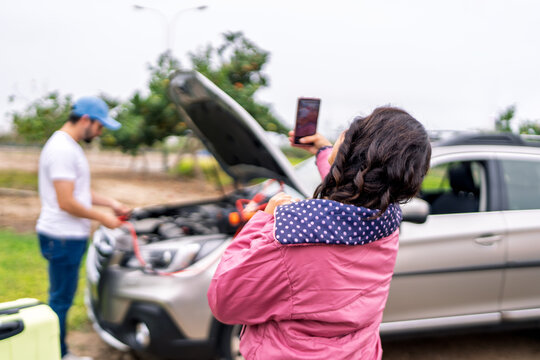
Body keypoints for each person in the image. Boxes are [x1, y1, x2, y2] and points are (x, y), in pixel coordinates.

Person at [207, 107, 431, 359]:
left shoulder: (294, 232)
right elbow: (357, 189)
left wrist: (263, 220)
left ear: (354, 152)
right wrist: (324, 150)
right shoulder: (387, 219)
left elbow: (224, 302)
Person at [36, 96, 129, 360]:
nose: (100, 133)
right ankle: (59, 354)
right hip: (62, 236)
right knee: (60, 301)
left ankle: (56, 351)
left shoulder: (68, 146)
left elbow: (79, 191)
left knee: (61, 297)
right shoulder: (62, 149)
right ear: (86, 120)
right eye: (100, 127)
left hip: (65, 236)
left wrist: (111, 203)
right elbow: (66, 201)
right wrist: (103, 218)